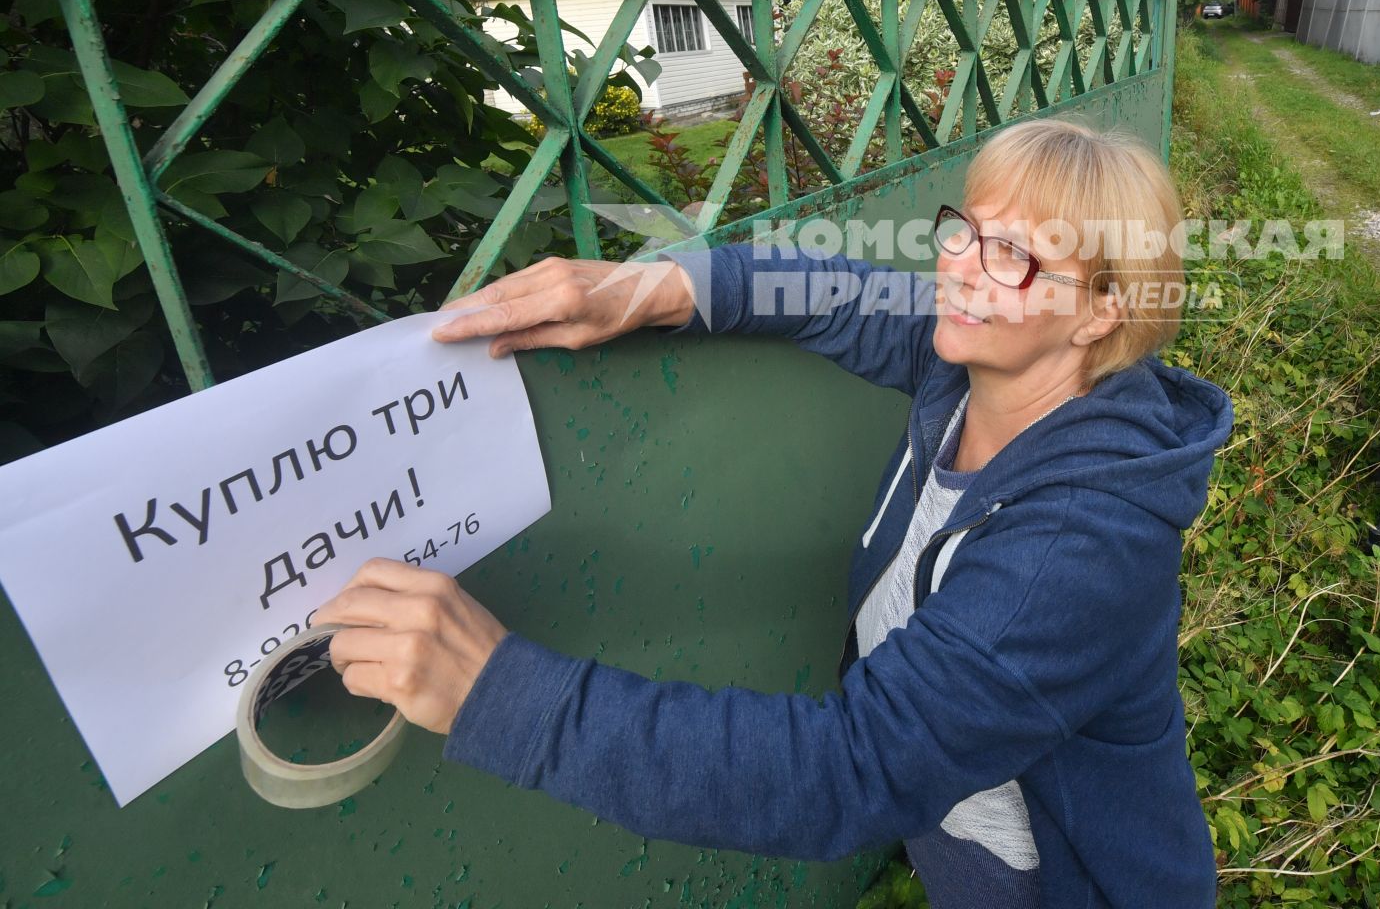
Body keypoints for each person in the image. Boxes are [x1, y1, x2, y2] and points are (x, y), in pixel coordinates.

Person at [313, 118, 1234, 908]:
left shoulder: (1077, 547)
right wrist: (646, 289)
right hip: (962, 831)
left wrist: (498, 693)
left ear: (1100, 313)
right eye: (966, 230)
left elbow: (850, 770)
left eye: (1015, 257)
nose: (958, 271)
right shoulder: (971, 367)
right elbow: (832, 294)